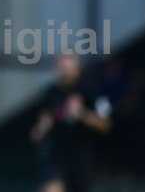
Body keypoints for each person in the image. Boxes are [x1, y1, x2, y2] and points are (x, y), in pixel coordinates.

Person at [29, 55, 112, 192]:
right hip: (57, 156)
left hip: (83, 158)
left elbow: (106, 124)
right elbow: (42, 123)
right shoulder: (51, 93)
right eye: (61, 68)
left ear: (77, 69)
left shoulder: (93, 91)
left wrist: (82, 114)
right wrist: (41, 129)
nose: (64, 72)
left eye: (68, 68)